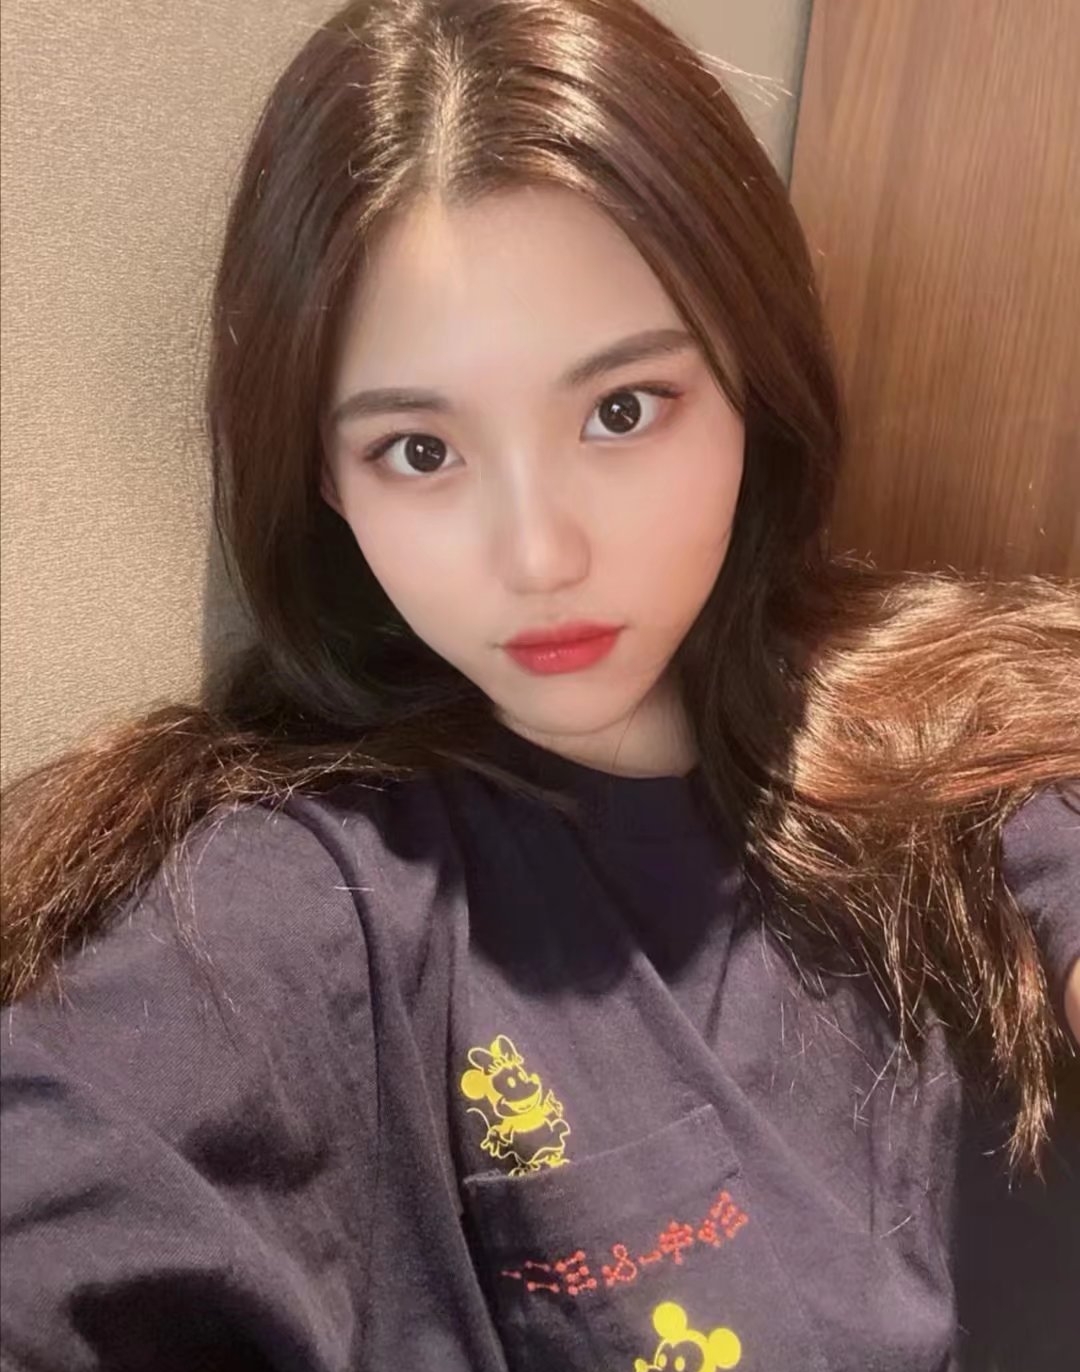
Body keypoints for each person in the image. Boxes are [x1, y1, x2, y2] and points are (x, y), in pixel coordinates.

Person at [1, 1, 1077, 1368]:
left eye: (621, 410)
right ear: (324, 475)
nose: (538, 555)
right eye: (420, 450)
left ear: (749, 385)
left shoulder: (962, 722)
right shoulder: (297, 910)